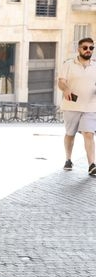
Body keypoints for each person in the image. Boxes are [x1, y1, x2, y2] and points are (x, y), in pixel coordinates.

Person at [58, 37, 96, 175]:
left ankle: (92, 164)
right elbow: (61, 82)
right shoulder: (68, 64)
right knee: (70, 134)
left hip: (91, 106)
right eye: (85, 47)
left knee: (89, 134)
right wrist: (66, 89)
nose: (88, 50)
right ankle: (68, 159)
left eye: (91, 48)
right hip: (71, 105)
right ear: (78, 49)